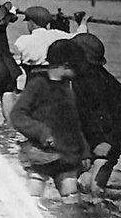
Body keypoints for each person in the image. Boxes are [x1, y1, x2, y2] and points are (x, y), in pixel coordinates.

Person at [10, 39, 89, 204]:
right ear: (65, 66)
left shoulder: (70, 88)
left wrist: (85, 152)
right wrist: (41, 132)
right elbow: (17, 115)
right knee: (33, 194)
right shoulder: (37, 84)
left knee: (71, 196)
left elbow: (75, 124)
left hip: (67, 155)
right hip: (41, 153)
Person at [71, 33, 121, 193]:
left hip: (106, 146)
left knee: (95, 189)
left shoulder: (111, 85)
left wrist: (109, 143)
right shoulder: (72, 83)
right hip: (82, 145)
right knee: (79, 187)